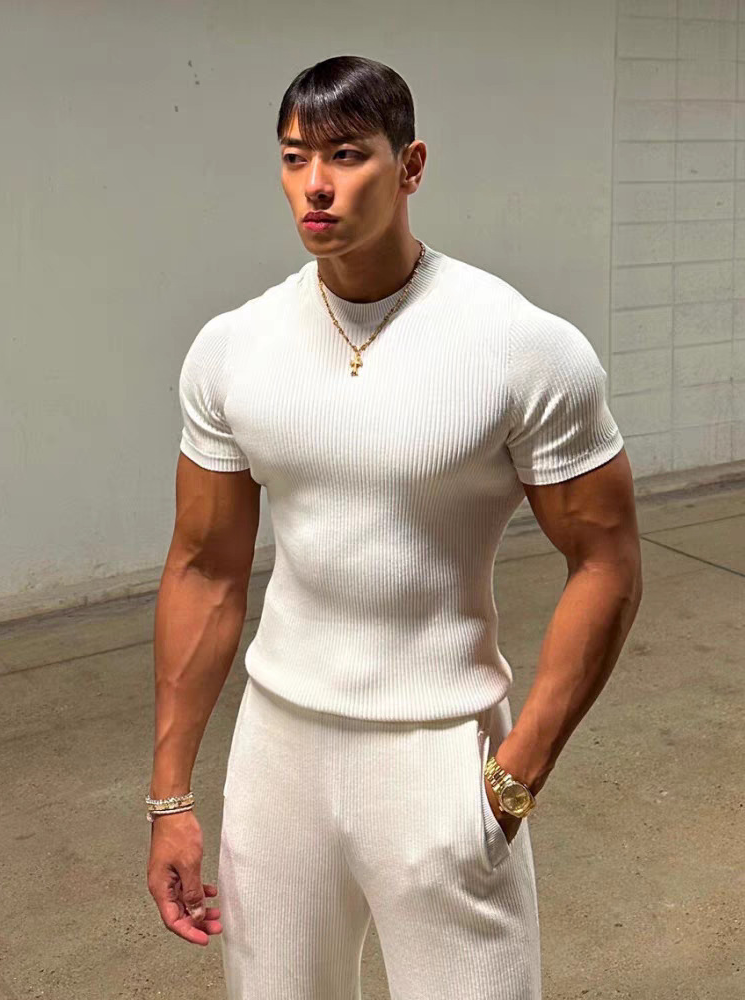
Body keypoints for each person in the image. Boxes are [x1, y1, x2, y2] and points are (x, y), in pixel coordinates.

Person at [146, 54, 643, 1000]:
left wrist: (516, 773)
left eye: (347, 155)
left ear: (410, 166)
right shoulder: (233, 348)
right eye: (295, 157)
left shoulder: (521, 345)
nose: (316, 184)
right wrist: (169, 796)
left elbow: (607, 561)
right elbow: (204, 570)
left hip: (440, 750)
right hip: (277, 754)